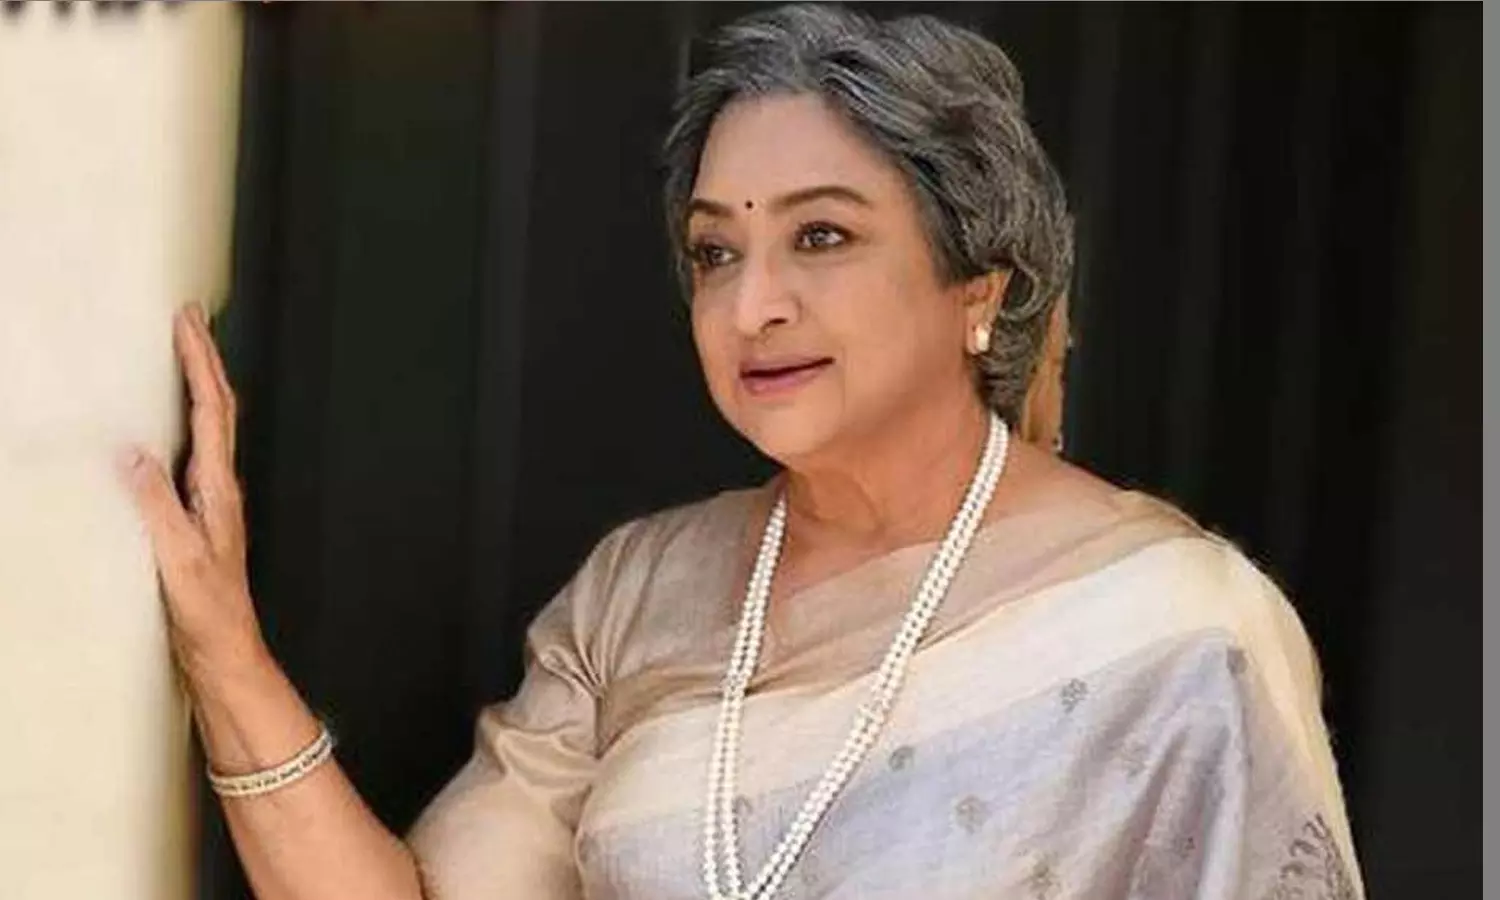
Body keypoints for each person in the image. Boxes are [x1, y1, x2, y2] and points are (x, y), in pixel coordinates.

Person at [116, 5, 1364, 899]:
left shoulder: (1177, 631)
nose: (751, 303)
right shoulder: (641, 591)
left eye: (821, 237)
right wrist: (223, 648)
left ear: (976, 287)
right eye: (716, 252)